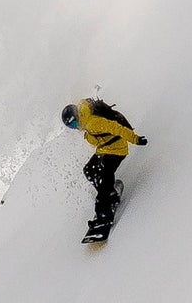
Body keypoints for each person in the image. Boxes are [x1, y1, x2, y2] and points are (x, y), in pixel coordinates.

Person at [63, 98, 148, 242]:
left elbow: (116, 128)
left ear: (77, 115)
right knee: (89, 170)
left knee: (103, 178)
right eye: (71, 126)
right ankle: (109, 194)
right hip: (105, 150)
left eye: (74, 123)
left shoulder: (92, 122)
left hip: (116, 151)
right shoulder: (85, 117)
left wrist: (135, 139)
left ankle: (104, 216)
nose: (75, 127)